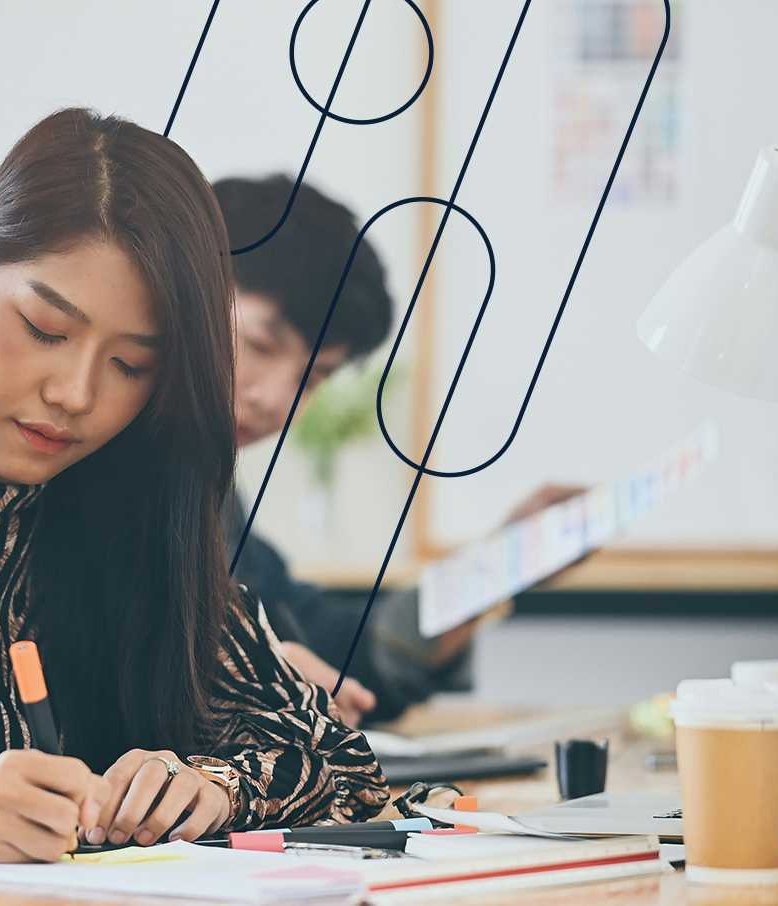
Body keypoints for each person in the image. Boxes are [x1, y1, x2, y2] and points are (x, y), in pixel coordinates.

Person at [0, 111, 385, 902]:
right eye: (45, 329)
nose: (76, 395)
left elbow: (342, 766)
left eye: (129, 364)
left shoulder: (134, 512)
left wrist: (213, 785)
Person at [212, 175, 583, 726]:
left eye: (314, 379)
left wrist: (503, 564)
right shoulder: (84, 459)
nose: (280, 401)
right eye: (262, 345)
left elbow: (329, 646)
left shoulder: (209, 486)